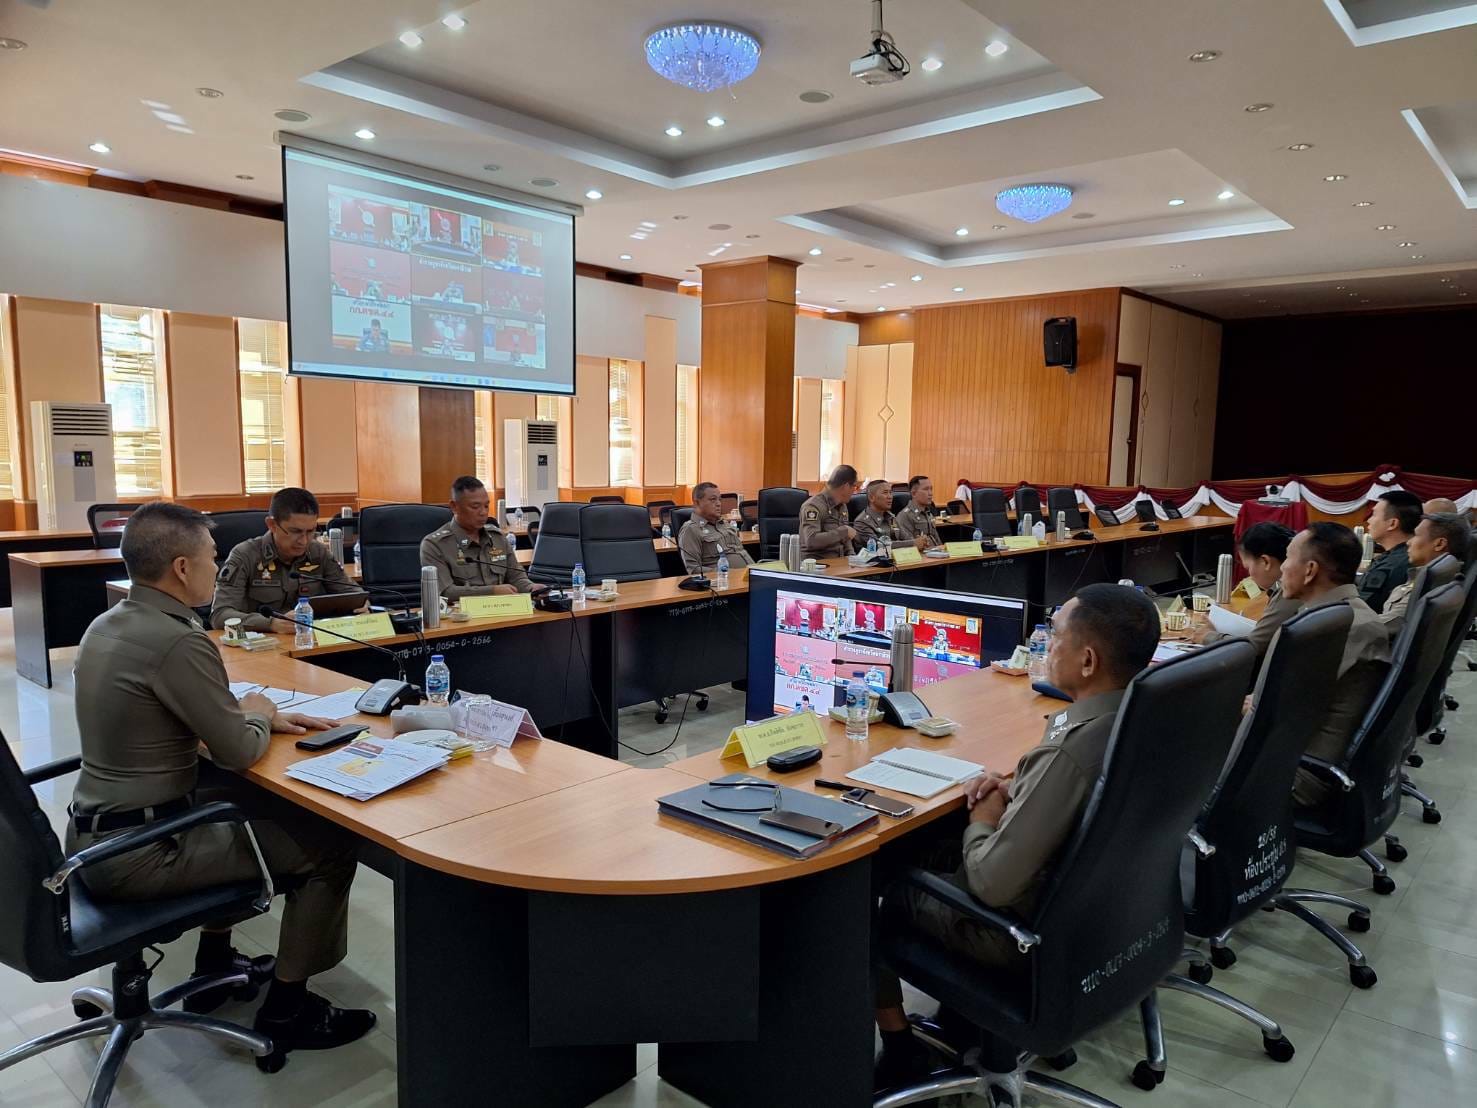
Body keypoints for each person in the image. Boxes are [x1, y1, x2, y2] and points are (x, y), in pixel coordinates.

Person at [67, 502, 375, 1058]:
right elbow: (237, 753)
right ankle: (289, 1009)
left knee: (249, 808)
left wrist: (246, 717)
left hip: (93, 833)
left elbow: (161, 716)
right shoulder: (178, 640)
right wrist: (257, 713)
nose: (217, 567)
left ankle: (214, 966)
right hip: (143, 852)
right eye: (211, 558)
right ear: (182, 568)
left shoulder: (107, 624)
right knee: (327, 846)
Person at [873, 584, 1160, 1089]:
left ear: (1088, 660)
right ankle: (964, 1021)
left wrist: (985, 814)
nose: (1044, 646)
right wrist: (1021, 790)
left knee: (868, 880)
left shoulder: (1070, 752)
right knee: (928, 842)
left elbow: (991, 884)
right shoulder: (1145, 717)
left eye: (1055, 636)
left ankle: (900, 1051)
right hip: (1106, 918)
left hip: (1020, 933)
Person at [1281, 524, 1392, 809]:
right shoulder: (1342, 615)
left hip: (1298, 772)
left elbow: (1278, 711)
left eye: (1288, 557)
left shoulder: (1340, 629)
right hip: (1298, 752)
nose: (1282, 567)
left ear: (1310, 570)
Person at [211, 487, 358, 632]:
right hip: (261, 642)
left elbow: (352, 593)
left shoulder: (318, 552)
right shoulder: (245, 555)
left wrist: (360, 603)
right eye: (295, 531)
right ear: (272, 525)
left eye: (311, 531)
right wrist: (270, 624)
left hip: (309, 638)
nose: (304, 541)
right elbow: (220, 614)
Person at [1194, 522, 1302, 670]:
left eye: (1248, 568)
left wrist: (1208, 636)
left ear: (1265, 561)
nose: (1250, 576)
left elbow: (1254, 647)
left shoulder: (1290, 592)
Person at [421, 475, 533, 598]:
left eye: (486, 506)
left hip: (504, 607)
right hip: (462, 610)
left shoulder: (497, 537)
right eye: (475, 507)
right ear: (454, 507)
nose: (483, 512)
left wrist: (532, 588)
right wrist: (492, 591)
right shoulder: (435, 545)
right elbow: (446, 592)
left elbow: (516, 577)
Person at [1381, 513, 1471, 636]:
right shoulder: (1445, 577)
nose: (1408, 542)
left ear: (1439, 544)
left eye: (1416, 535)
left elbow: (1375, 628)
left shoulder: (1428, 585)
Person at [1360, 490, 1421, 613]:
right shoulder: (1405, 555)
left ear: (1392, 523)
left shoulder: (1391, 566)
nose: (1368, 520)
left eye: (1374, 515)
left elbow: (1362, 609)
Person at [678, 481, 753, 575]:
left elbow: (740, 552)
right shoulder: (691, 530)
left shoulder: (725, 524)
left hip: (751, 574)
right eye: (713, 499)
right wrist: (724, 573)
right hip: (726, 580)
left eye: (719, 499)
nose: (718, 504)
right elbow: (694, 570)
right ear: (697, 503)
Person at [799, 465, 859, 557]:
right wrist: (842, 532)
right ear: (846, 486)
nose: (854, 491)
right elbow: (811, 541)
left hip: (839, 562)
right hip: (818, 562)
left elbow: (846, 538)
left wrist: (852, 556)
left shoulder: (842, 505)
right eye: (854, 486)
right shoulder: (813, 506)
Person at [896, 475, 943, 549]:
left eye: (931, 489)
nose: (930, 493)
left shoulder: (928, 513)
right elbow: (910, 546)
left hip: (936, 552)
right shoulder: (905, 516)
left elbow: (937, 541)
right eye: (926, 489)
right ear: (914, 493)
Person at [852, 479, 898, 550]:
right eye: (885, 493)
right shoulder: (861, 522)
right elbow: (880, 547)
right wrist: (911, 543)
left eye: (890, 492)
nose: (890, 497)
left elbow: (905, 537)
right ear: (871, 498)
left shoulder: (891, 516)